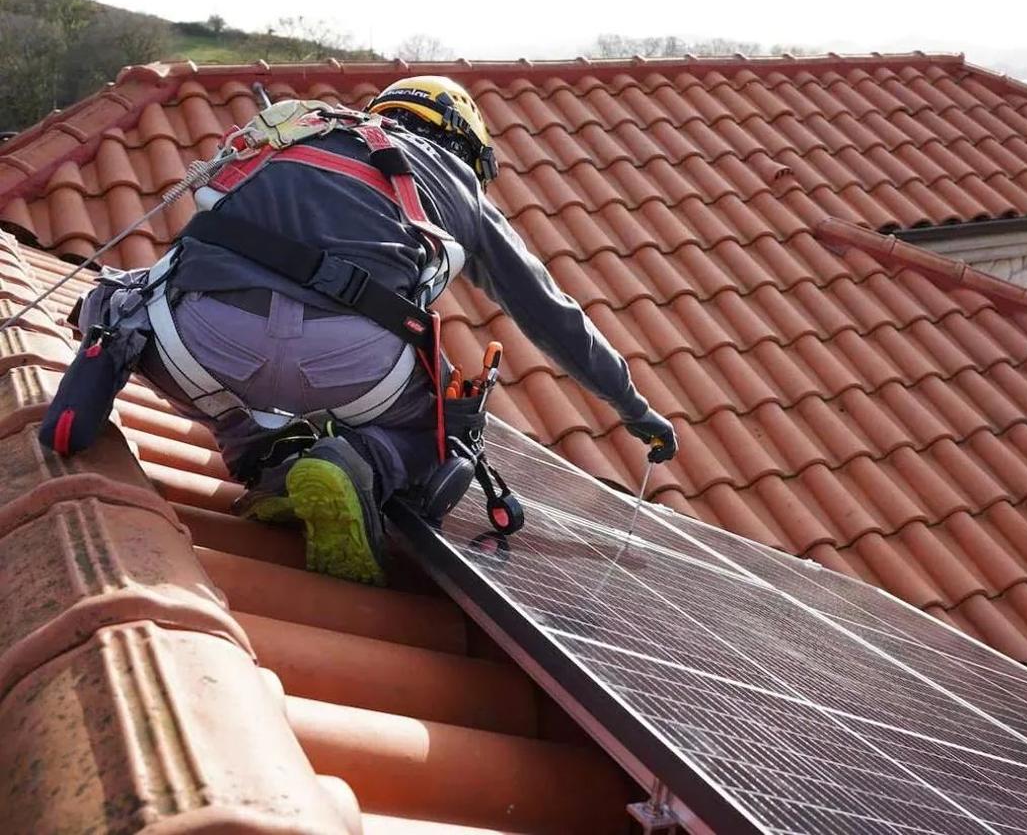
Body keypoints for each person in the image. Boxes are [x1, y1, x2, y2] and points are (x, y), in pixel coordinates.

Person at [60, 75, 677, 586]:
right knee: (447, 422)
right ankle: (363, 462)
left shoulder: (296, 131)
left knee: (124, 301)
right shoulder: (458, 186)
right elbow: (552, 317)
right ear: (464, 144)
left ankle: (100, 375)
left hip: (200, 343)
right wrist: (633, 407)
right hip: (355, 369)